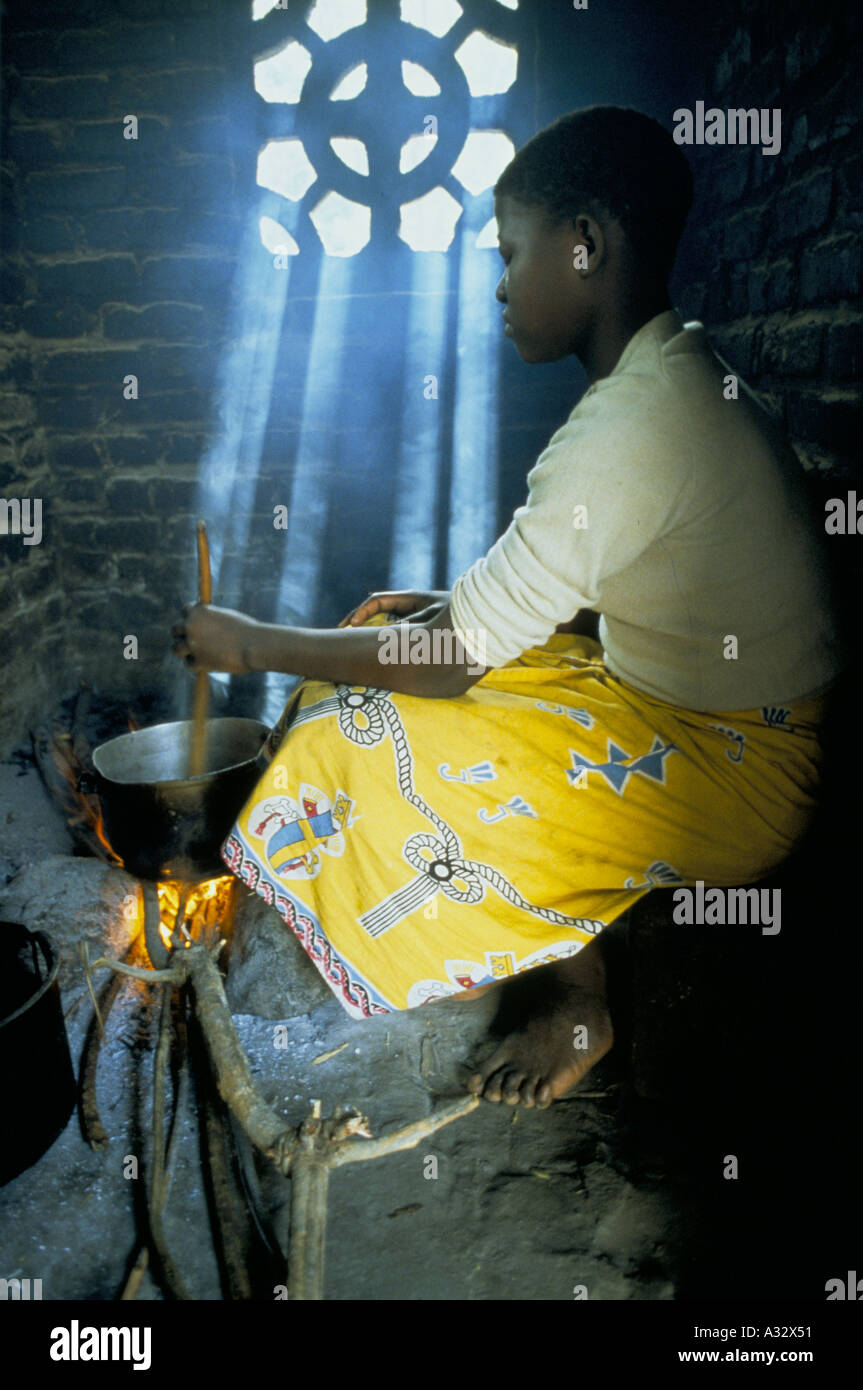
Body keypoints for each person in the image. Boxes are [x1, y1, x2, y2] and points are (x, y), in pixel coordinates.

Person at [172, 106, 843, 1110]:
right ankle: (568, 979)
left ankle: (576, 1005)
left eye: (509, 250)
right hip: (682, 700)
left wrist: (247, 640)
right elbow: (543, 595)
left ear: (585, 247)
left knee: (353, 734)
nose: (496, 281)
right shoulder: (667, 372)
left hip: (733, 767)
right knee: (372, 646)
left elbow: (449, 660)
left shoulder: (631, 426)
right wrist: (444, 607)